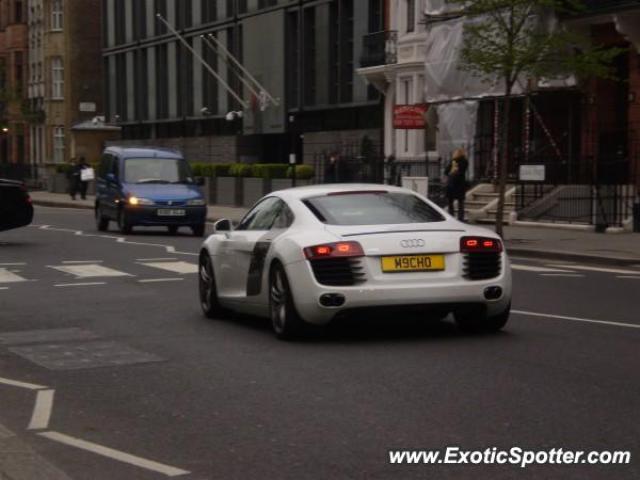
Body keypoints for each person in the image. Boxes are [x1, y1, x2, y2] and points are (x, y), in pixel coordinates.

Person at [445, 148, 469, 221]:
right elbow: (446, 171)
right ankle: (458, 217)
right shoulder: (455, 161)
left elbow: (448, 172)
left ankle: (455, 217)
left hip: (455, 183)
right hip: (457, 184)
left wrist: (452, 172)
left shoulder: (461, 161)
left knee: (453, 202)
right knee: (458, 202)